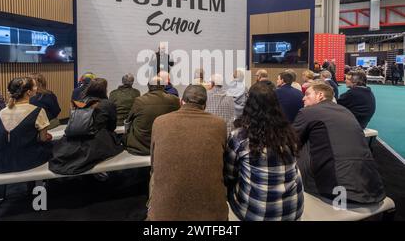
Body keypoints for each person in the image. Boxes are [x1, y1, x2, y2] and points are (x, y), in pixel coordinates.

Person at [293, 83, 385, 204]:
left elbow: (289, 141)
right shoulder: (347, 112)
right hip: (373, 188)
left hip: (334, 191)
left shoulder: (308, 112)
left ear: (320, 95)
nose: (303, 98)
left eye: (307, 94)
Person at [147, 85, 228, 220]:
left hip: (163, 214)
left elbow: (153, 164)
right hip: (213, 215)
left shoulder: (159, 122)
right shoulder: (220, 124)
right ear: (205, 105)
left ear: (181, 101)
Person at [225, 82, 304, 221]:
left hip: (255, 214)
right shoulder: (289, 133)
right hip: (293, 210)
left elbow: (229, 175)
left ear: (249, 104)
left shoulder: (239, 137)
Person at [49, 78, 124, 175]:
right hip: (95, 143)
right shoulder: (108, 104)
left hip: (71, 143)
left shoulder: (79, 102)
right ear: (104, 90)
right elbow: (112, 127)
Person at [0, 77, 52, 174]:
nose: (37, 88)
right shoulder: (38, 111)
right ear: (29, 92)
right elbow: (43, 138)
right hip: (25, 162)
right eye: (35, 86)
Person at [124, 76, 180, 155]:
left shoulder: (140, 101)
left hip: (142, 147)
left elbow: (128, 121)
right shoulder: (175, 100)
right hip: (166, 144)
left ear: (148, 86)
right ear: (163, 86)